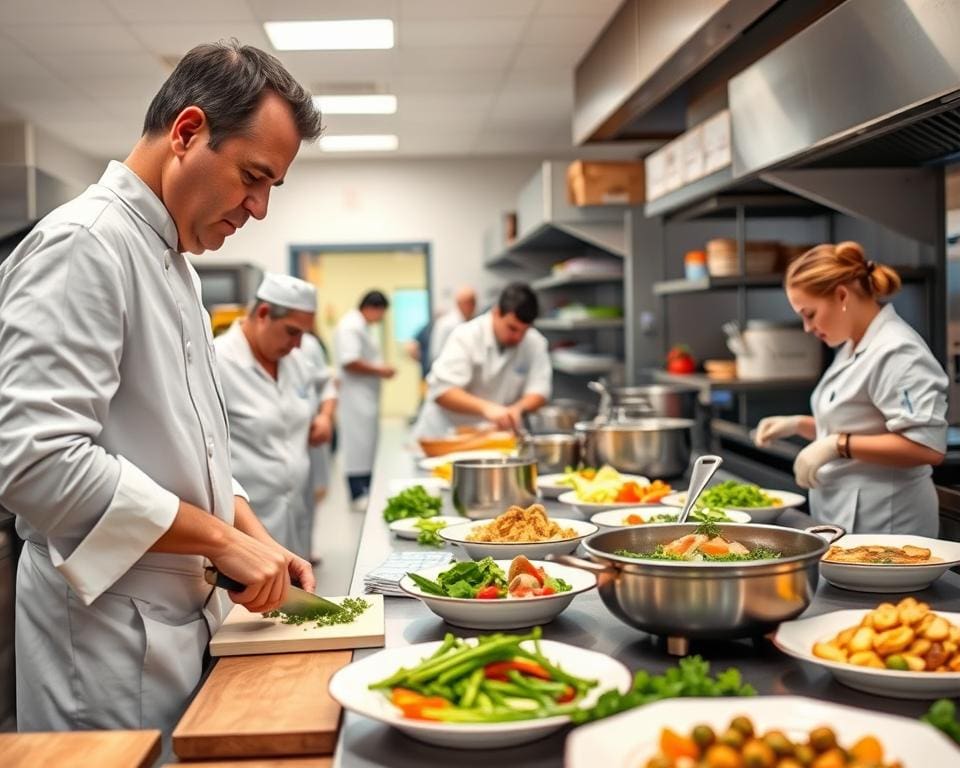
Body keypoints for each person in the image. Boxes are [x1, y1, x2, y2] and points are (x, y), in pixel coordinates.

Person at [0, 41, 322, 737]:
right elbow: (35, 463)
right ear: (187, 133)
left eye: (272, 188)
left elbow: (191, 448)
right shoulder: (85, 244)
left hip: (174, 620)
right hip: (103, 639)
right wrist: (220, 541)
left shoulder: (176, 264)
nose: (260, 209)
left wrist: (254, 538)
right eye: (253, 177)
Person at [754, 241, 947, 536]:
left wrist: (837, 445)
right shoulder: (850, 344)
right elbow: (861, 424)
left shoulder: (897, 351)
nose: (807, 328)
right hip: (844, 516)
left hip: (888, 524)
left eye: (810, 314)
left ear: (842, 295)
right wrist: (798, 425)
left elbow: (926, 446)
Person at [214, 274, 337, 561]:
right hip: (248, 518)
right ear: (263, 314)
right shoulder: (217, 362)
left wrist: (324, 417)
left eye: (303, 335)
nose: (297, 344)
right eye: (292, 332)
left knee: (295, 595)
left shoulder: (294, 362)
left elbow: (323, 386)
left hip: (297, 508)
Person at [412, 282, 552, 437]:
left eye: (524, 331)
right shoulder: (466, 335)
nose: (518, 337)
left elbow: (539, 390)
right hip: (445, 434)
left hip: (488, 436)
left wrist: (518, 409)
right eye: (512, 328)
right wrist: (488, 408)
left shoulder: (535, 342)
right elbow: (442, 391)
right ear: (496, 312)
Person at [334, 290, 395, 505]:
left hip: (364, 396)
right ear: (372, 308)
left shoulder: (361, 326)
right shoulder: (351, 325)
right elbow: (349, 360)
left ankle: (365, 487)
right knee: (356, 445)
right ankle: (357, 491)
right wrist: (380, 370)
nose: (381, 319)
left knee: (366, 444)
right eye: (381, 313)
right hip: (354, 397)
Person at [428, 285, 477, 363]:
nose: (474, 306)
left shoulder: (474, 322)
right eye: (471, 302)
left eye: (474, 302)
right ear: (459, 303)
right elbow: (436, 354)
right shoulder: (446, 324)